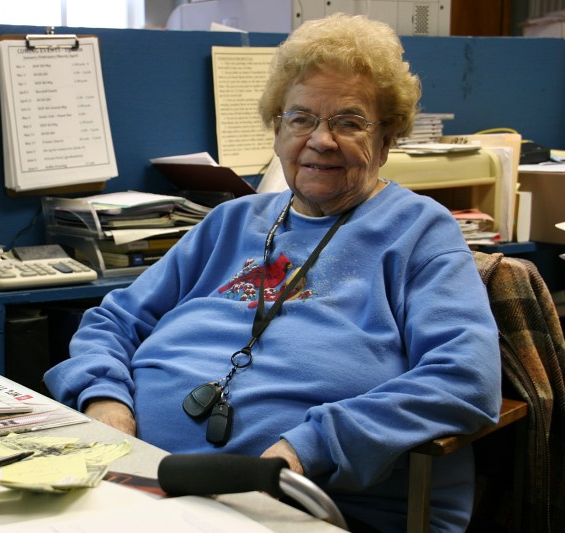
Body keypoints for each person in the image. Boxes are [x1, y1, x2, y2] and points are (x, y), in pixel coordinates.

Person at [44, 13, 501, 532]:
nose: (321, 139)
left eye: (348, 122)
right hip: (138, 482)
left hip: (301, 504)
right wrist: (107, 405)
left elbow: (466, 378)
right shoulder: (229, 221)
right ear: (278, 128)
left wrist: (302, 451)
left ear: (388, 137)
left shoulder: (417, 232)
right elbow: (112, 323)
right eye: (301, 118)